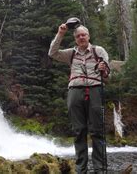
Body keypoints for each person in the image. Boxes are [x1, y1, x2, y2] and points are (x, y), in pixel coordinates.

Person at [48, 22, 110, 173]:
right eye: (78, 36)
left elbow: (108, 77)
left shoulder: (99, 51)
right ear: (75, 39)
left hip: (95, 89)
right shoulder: (71, 53)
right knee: (79, 131)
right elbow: (52, 53)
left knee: (97, 131)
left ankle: (100, 169)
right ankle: (81, 169)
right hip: (75, 91)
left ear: (88, 36)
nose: (81, 37)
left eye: (84, 35)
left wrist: (104, 70)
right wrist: (61, 33)